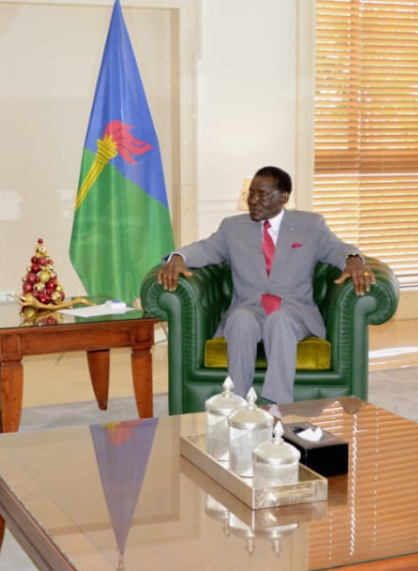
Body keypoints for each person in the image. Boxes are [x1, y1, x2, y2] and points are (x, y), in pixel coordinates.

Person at [157, 165, 374, 404]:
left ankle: (276, 407)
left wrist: (353, 259)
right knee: (240, 319)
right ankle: (237, 403)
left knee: (279, 321)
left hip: (293, 312)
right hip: (249, 307)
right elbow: (206, 248)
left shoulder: (311, 225)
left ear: (284, 197)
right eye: (250, 194)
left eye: (262, 195)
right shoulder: (232, 227)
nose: (253, 200)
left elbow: (336, 248)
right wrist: (178, 257)